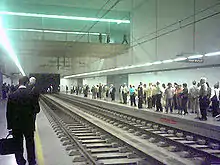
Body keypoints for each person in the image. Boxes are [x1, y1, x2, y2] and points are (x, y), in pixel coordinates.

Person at [6, 76, 37, 165]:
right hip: (29, 125)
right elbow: (37, 109)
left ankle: (20, 161)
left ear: (19, 83)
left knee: (18, 144)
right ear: (27, 83)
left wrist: (10, 127)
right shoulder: (31, 95)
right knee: (30, 143)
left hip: (16, 126)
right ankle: (31, 161)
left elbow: (9, 113)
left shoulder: (12, 95)